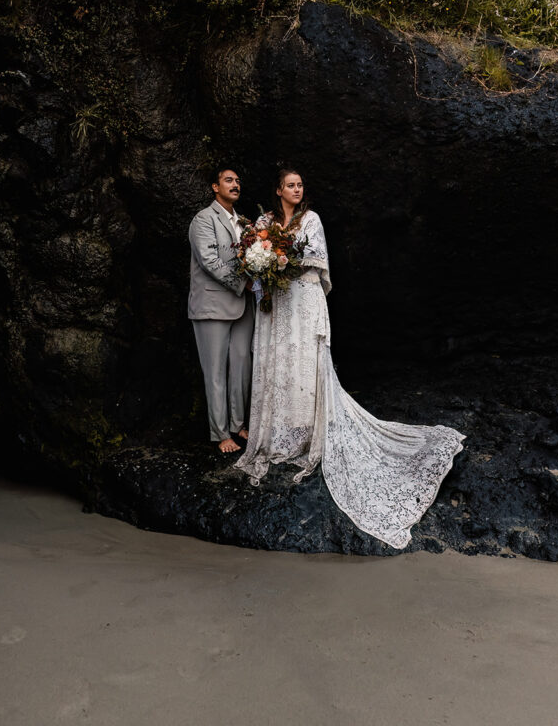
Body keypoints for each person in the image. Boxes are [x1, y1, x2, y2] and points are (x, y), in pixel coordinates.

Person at [235, 168, 465, 549]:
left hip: (304, 298)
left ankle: (308, 430)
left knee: (305, 364)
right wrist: (262, 262)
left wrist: (283, 258)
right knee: (280, 365)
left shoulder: (311, 219)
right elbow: (250, 258)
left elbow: (319, 257)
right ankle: (280, 431)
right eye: (290, 185)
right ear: (277, 190)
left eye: (300, 185)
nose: (297, 189)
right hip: (277, 302)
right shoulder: (263, 222)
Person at [188, 166, 254, 453]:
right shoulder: (203, 219)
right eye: (229, 180)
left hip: (242, 305)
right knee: (215, 371)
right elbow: (209, 261)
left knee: (241, 364)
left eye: (238, 180)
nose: (235, 184)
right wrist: (245, 283)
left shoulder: (246, 222)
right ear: (215, 187)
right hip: (213, 305)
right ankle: (220, 433)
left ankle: (238, 424)